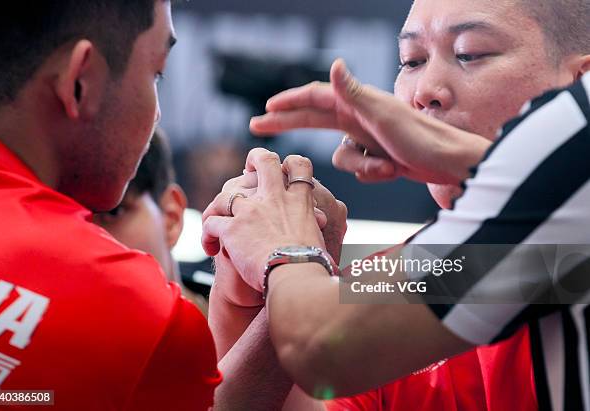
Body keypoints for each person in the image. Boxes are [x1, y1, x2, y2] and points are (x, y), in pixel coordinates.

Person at [206, 0, 590, 409]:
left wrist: (285, 248)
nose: (425, 91)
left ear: (579, 80)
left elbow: (318, 346)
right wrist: (253, 295)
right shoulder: (437, 262)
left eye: (469, 54)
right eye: (412, 61)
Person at [0, 2, 291, 410]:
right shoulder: (129, 312)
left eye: (408, 64)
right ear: (80, 82)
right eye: (155, 73)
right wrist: (298, 263)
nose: (157, 109)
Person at [93, 128, 208, 315]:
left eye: (114, 213)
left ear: (171, 217)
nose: (92, 238)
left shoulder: (256, 323)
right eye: (74, 219)